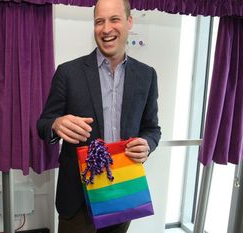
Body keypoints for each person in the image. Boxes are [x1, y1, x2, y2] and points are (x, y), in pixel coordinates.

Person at [37, 0, 161, 232]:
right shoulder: (67, 73)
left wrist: (148, 144)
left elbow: (152, 128)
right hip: (77, 199)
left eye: (114, 19)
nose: (106, 29)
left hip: (122, 192)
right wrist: (56, 124)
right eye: (99, 22)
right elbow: (43, 124)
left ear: (129, 22)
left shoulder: (147, 75)